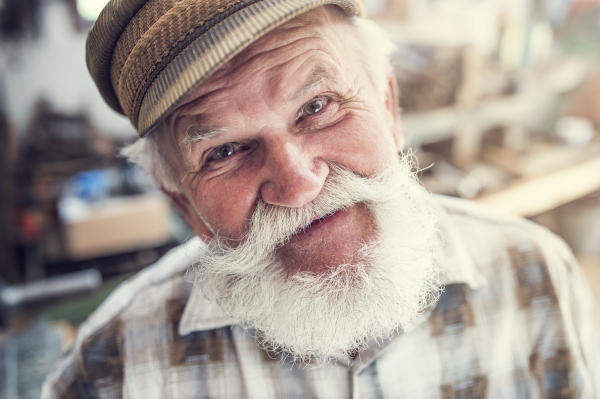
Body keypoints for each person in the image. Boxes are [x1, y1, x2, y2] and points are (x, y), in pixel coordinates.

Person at [43, 0, 600, 397]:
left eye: (317, 106)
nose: (299, 184)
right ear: (186, 206)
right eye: (226, 150)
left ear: (389, 108)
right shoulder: (111, 370)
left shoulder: (537, 279)